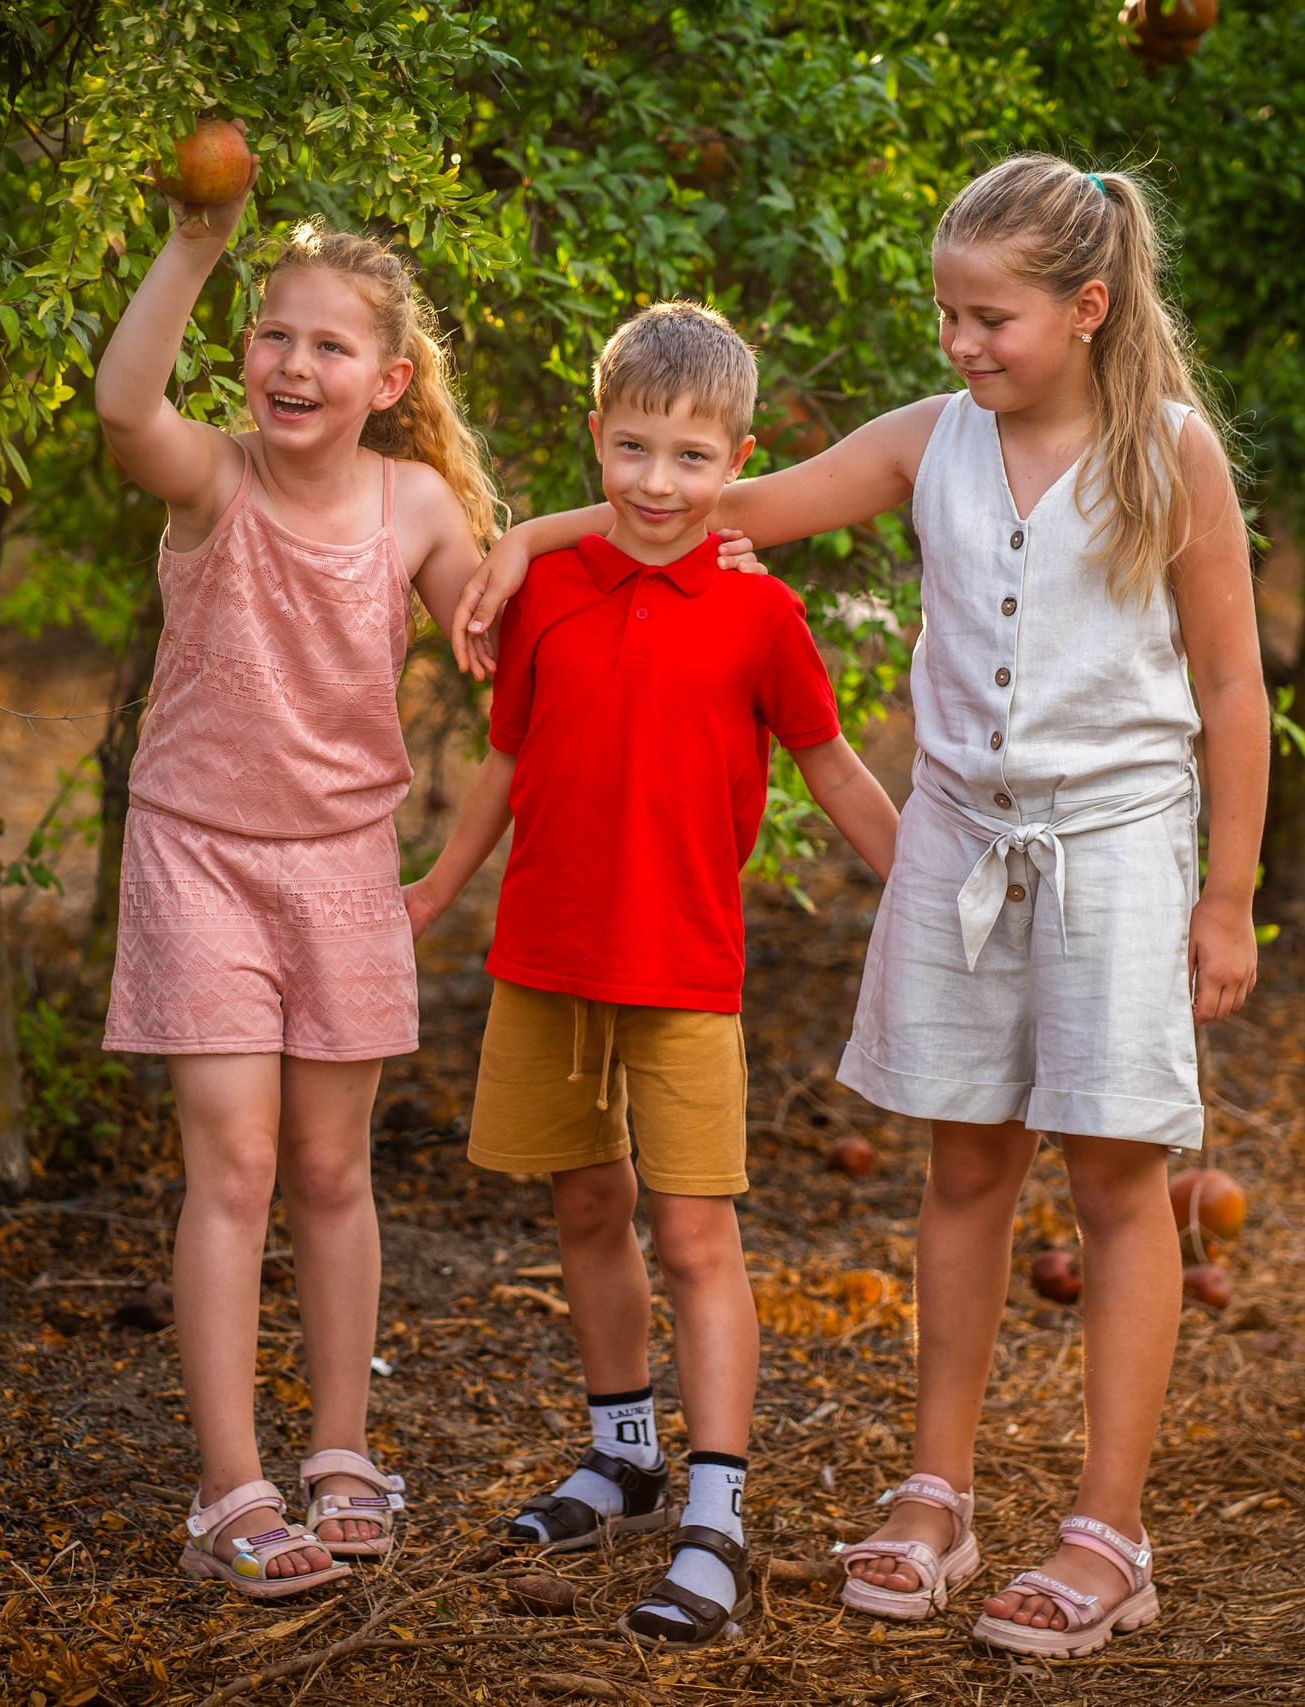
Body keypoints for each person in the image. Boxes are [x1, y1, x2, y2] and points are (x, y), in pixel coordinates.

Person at [451, 156, 1266, 1659]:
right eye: (948, 313)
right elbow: (701, 497)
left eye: (992, 319)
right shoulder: (932, 440)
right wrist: (526, 538)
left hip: (1117, 853)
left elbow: (1228, 683)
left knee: (1115, 1185)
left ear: (1087, 309)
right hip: (963, 845)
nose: (961, 344)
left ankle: (1109, 1531)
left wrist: (1231, 895)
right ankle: (935, 1493)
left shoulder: (1168, 452)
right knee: (963, 1172)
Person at [407, 301, 900, 1649]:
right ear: (596, 440)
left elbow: (832, 765)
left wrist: (918, 880)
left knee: (695, 1236)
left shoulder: (760, 613)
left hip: (685, 970)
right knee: (584, 1209)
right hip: (549, 956)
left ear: (736, 459)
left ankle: (716, 1516)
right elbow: (507, 762)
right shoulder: (548, 593)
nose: (659, 484)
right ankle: (622, 1456)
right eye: (634, 451)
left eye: (693, 458)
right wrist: (441, 888)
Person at [95, 145, 499, 1598]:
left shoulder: (419, 510)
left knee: (332, 1168)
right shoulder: (212, 479)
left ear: (388, 380)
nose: (293, 362)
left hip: (342, 866)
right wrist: (199, 242)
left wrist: (544, 612)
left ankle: (342, 1453)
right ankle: (230, 1486)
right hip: (200, 855)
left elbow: (498, 634)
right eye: (274, 335)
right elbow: (123, 404)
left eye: (330, 345)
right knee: (241, 1162)